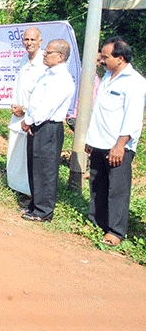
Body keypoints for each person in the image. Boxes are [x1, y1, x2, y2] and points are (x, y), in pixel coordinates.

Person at [86, 36, 146, 246]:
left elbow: (133, 117)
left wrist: (120, 145)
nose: (102, 60)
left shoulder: (135, 82)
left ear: (120, 58)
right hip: (99, 141)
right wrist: (90, 139)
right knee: (97, 185)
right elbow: (99, 112)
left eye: (105, 57)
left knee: (116, 190)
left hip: (117, 146)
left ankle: (115, 231)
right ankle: (96, 222)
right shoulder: (108, 77)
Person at [18, 39, 74, 223]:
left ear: (60, 57)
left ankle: (44, 211)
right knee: (35, 166)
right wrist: (30, 121)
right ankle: (35, 203)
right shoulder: (47, 74)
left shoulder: (63, 79)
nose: (44, 54)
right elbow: (36, 101)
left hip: (48, 126)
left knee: (46, 169)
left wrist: (29, 121)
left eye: (48, 52)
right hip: (36, 124)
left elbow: (47, 107)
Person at [6, 28, 45, 198]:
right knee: (16, 150)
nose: (29, 43)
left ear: (40, 42)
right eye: (26, 39)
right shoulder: (24, 59)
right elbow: (19, 84)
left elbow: (42, 94)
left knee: (29, 156)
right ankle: (15, 184)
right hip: (18, 113)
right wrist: (16, 105)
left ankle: (28, 192)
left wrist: (26, 109)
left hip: (32, 116)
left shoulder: (44, 63)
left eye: (32, 40)